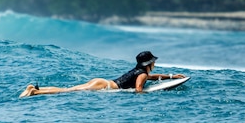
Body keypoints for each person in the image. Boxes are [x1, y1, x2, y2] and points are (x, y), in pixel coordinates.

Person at [19, 51, 185, 97]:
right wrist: (145, 96)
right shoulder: (142, 74)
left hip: (102, 82)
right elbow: (139, 88)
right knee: (67, 91)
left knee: (68, 89)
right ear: (149, 64)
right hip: (103, 86)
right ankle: (35, 92)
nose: (155, 63)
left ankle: (34, 89)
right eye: (153, 61)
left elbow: (152, 77)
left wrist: (171, 77)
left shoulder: (140, 71)